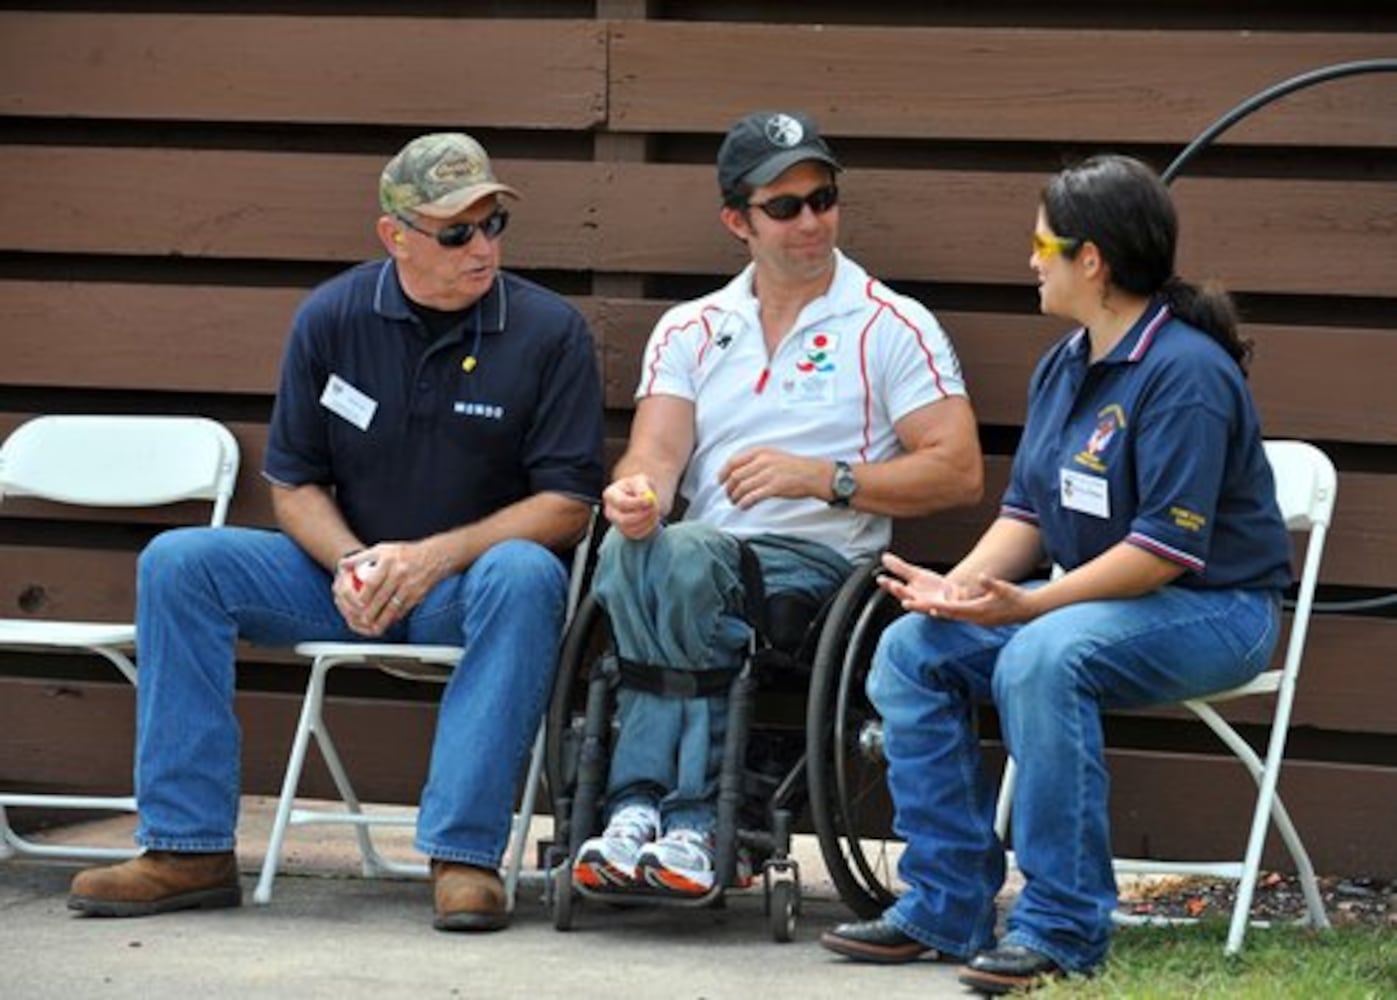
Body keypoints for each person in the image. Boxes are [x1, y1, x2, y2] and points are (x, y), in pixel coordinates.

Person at [68, 133, 605, 933]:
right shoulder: (333, 315)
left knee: (530, 572)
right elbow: (294, 483)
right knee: (181, 562)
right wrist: (354, 562)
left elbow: (568, 502)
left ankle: (464, 855)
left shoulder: (548, 332)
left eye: (494, 225)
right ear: (395, 236)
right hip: (339, 575)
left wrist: (429, 559)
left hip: (466, 584)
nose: (482, 247)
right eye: (457, 232)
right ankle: (188, 849)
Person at [818, 154, 1292, 991]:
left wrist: (1026, 612)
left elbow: (1160, 553)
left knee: (1044, 653)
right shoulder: (1065, 362)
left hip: (1216, 612)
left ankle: (1063, 926)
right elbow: (1028, 515)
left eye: (1042, 242)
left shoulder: (1186, 375)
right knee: (910, 649)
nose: (1029, 259)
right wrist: (955, 592)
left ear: (1092, 260)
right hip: (1102, 605)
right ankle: (945, 902)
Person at [570, 110, 983, 897]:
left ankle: (682, 818)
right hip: (700, 561)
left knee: (681, 557)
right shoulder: (690, 328)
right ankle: (639, 818)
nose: (811, 221)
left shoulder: (890, 326)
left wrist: (824, 477)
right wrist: (636, 494)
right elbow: (655, 454)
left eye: (822, 198)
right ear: (737, 221)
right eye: (784, 207)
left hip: (820, 571)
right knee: (632, 549)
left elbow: (958, 472)